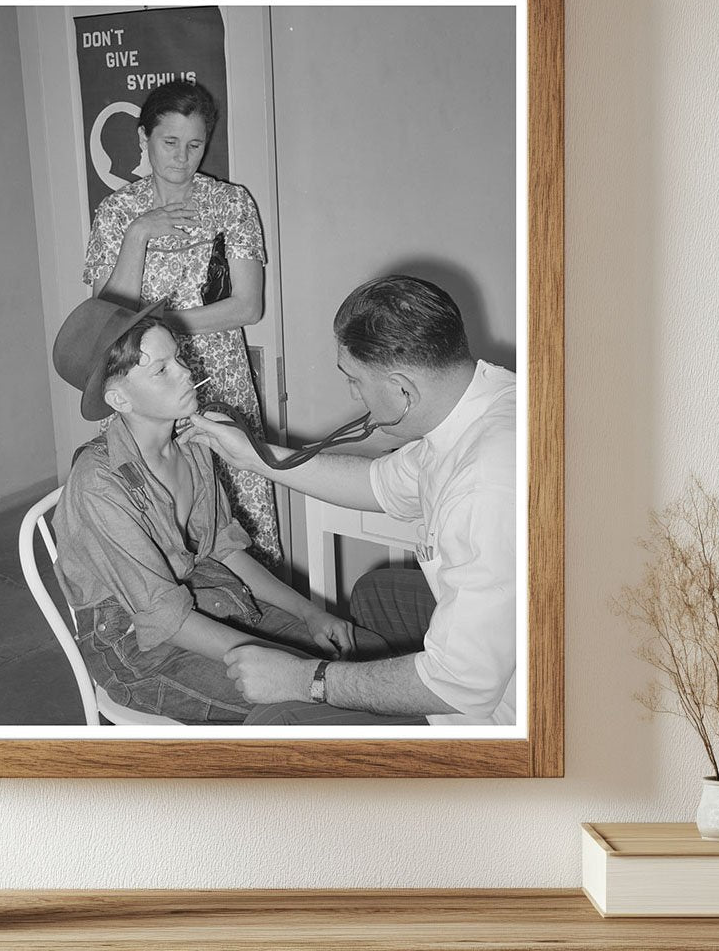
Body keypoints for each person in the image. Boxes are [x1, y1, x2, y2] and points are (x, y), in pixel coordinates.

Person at [181, 275, 517, 727]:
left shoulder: (486, 483)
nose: (353, 395)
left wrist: (307, 680)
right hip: (514, 628)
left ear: (402, 390)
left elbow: (458, 685)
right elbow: (379, 483)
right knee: (375, 594)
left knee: (275, 722)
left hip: (518, 710)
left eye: (355, 380)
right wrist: (256, 457)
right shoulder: (484, 405)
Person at [50, 296, 388, 725]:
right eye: (162, 370)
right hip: (137, 642)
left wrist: (310, 612)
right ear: (119, 399)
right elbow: (165, 617)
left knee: (366, 658)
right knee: (322, 702)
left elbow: (223, 549)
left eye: (179, 358)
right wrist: (298, 670)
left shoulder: (192, 443)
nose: (186, 373)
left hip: (206, 593)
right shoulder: (99, 485)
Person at [83, 80, 281, 567]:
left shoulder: (231, 203)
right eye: (169, 142)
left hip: (222, 377)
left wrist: (163, 326)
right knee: (158, 509)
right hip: (145, 382)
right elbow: (107, 313)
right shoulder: (117, 212)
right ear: (143, 138)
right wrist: (138, 235)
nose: (182, 157)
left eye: (195, 145)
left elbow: (247, 307)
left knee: (237, 500)